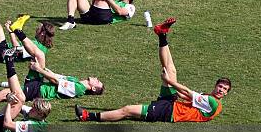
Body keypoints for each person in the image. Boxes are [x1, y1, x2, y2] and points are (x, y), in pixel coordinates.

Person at [76, 18, 232, 122]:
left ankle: (88, 116)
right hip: (172, 103)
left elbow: (188, 91)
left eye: (224, 89)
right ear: (216, 86)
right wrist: (171, 84)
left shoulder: (213, 102)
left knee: (127, 110)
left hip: (168, 112)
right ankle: (162, 35)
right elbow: (186, 95)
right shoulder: (208, 98)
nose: (221, 90)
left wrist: (170, 82)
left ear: (226, 94)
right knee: (171, 69)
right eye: (220, 86)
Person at [0, 59, 104, 105]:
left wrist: (39, 70)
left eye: (98, 83)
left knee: (5, 94)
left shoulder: (78, 89)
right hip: (39, 85)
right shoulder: (76, 81)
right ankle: (15, 34)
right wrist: (42, 68)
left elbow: (54, 81)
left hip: (39, 91)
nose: (97, 79)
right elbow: (56, 75)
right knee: (38, 55)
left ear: (93, 89)